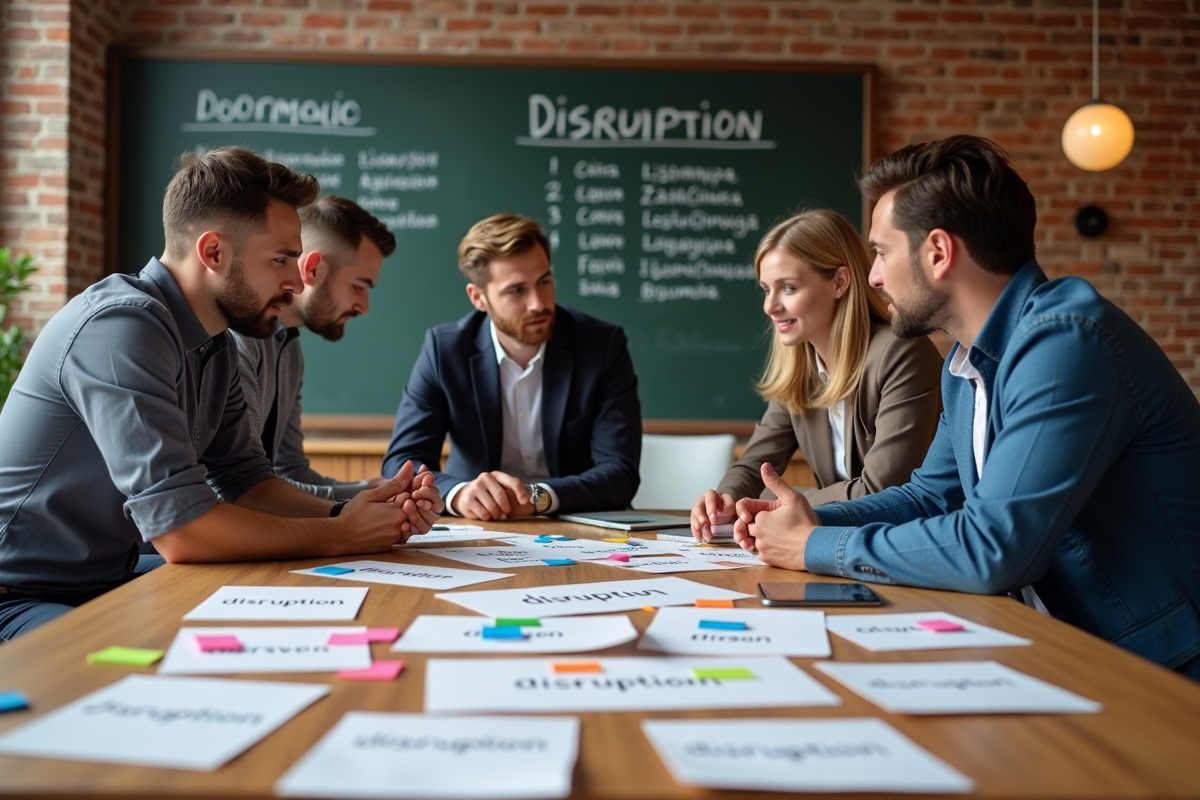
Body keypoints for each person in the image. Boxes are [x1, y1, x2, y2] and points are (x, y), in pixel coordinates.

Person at [734, 135, 1200, 679]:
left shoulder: (1067, 342)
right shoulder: (966, 362)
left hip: (1156, 668)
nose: (873, 276)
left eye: (881, 253)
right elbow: (931, 496)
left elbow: (994, 547)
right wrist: (806, 519)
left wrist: (816, 544)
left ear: (938, 252)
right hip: (1059, 644)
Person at [0, 147, 443, 641]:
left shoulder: (216, 341)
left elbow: (248, 482)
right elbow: (182, 531)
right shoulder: (122, 327)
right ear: (213, 253)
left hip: (105, 581)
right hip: (21, 595)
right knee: (129, 676)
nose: (297, 281)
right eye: (281, 258)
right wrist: (343, 534)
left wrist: (353, 511)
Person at [691, 209, 942, 542]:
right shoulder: (801, 367)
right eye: (767, 290)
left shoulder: (901, 352)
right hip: (834, 545)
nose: (770, 306)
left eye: (789, 288)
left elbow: (882, 491)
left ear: (839, 282)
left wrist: (776, 502)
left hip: (902, 546)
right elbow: (755, 465)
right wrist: (725, 500)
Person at [383, 212, 641, 520]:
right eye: (517, 290)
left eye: (544, 281)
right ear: (478, 297)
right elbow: (402, 463)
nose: (538, 303)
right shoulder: (445, 350)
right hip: (478, 528)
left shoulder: (601, 345)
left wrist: (538, 498)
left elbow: (620, 473)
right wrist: (459, 493)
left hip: (577, 523)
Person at [232, 195, 396, 499]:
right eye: (358, 287)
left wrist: (369, 490)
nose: (364, 307)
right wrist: (361, 495)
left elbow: (291, 470)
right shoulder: (241, 339)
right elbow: (243, 488)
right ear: (313, 269)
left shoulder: (289, 348)